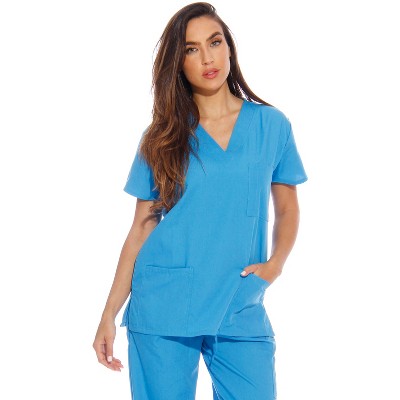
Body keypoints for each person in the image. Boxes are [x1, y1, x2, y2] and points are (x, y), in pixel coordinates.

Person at [93, 2, 308, 399]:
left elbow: (287, 207)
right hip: (163, 303)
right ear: (178, 62)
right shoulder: (161, 137)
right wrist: (109, 313)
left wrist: (276, 264)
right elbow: (141, 228)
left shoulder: (270, 125)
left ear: (230, 47)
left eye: (215, 42)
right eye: (191, 49)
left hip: (239, 299)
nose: (207, 57)